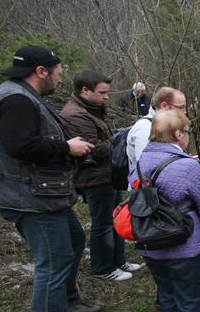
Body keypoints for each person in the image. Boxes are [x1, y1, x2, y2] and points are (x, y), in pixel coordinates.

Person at [0, 45, 98, 312]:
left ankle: (67, 300)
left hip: (46, 193)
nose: (59, 78)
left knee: (74, 242)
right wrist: (66, 147)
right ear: (41, 72)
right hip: (30, 197)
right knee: (53, 258)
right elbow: (19, 146)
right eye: (57, 73)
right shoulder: (15, 100)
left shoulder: (23, 97)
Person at [129, 108, 200, 312]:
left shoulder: (139, 163)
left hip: (150, 241)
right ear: (178, 134)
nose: (187, 135)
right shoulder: (187, 166)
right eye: (186, 131)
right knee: (189, 295)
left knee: (166, 293)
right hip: (182, 242)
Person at [59, 70, 141, 281]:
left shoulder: (91, 109)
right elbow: (93, 150)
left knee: (115, 217)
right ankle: (103, 267)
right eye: (102, 93)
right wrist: (123, 136)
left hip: (107, 174)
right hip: (94, 177)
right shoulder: (75, 115)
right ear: (85, 90)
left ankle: (117, 260)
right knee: (102, 223)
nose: (106, 97)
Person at [126, 86, 186, 172]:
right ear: (164, 106)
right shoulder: (145, 129)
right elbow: (147, 169)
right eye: (181, 107)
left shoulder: (165, 127)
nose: (184, 112)